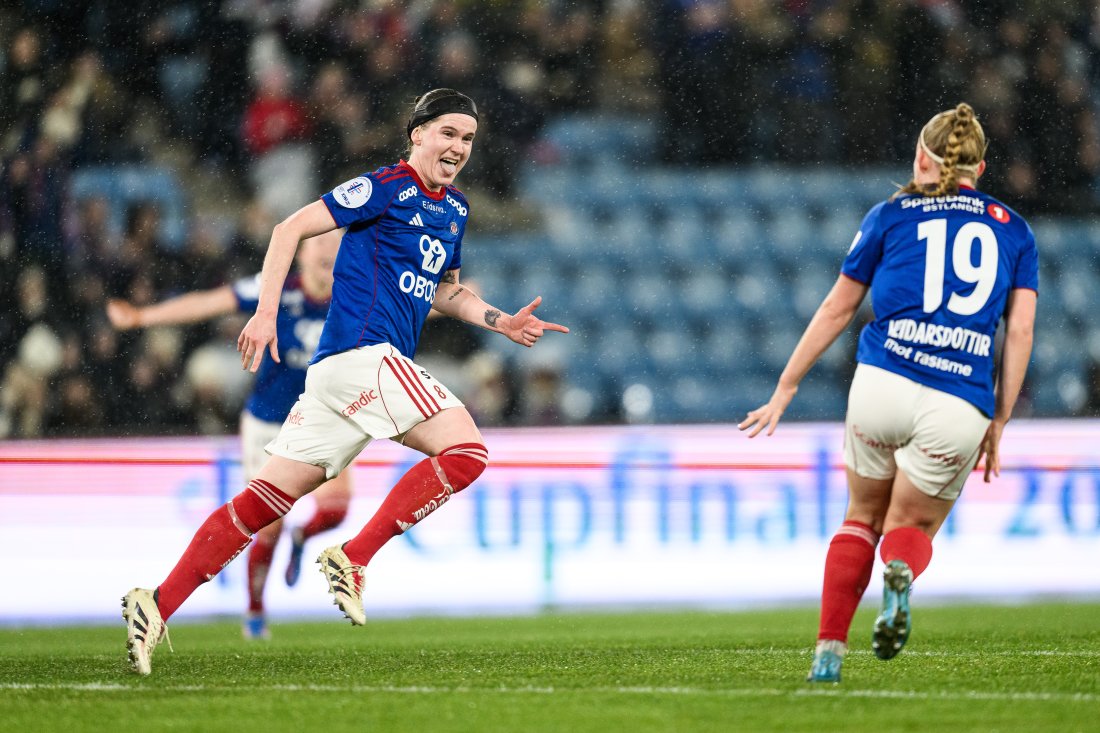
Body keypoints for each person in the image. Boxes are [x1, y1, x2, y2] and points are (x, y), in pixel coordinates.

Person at [121, 88, 569, 675]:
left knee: (262, 502)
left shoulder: (454, 209)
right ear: (418, 133)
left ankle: (156, 603)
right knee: (467, 452)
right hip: (364, 357)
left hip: (340, 377)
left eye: (467, 139)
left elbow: (445, 290)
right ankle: (353, 558)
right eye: (447, 133)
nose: (458, 147)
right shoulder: (384, 187)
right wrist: (264, 312)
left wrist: (498, 320)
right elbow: (287, 229)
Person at [739, 102, 1037, 683]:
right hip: (960, 398)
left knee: (859, 517)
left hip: (883, 383)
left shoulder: (891, 214)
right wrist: (999, 421)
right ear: (983, 167)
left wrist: (786, 386)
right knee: (910, 528)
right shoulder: (1014, 229)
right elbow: (1020, 330)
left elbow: (837, 307)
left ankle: (828, 654)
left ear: (922, 156)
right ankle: (898, 570)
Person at [108, 229, 348, 641]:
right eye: (319, 244)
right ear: (300, 254)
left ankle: (301, 536)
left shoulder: (353, 293)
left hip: (322, 419)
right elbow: (210, 302)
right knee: (266, 523)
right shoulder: (273, 289)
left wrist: (453, 301)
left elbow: (407, 303)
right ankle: (255, 610)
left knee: (337, 509)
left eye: (335, 244)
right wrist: (143, 316)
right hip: (269, 423)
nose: (327, 250)